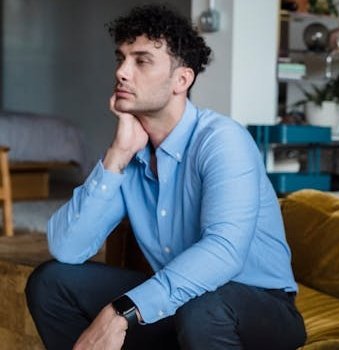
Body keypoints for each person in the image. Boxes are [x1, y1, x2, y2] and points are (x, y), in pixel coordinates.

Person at [25, 5, 306, 350]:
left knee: (203, 309)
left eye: (141, 61)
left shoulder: (222, 140)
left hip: (259, 308)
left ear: (181, 80)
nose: (122, 73)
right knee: (51, 282)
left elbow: (224, 251)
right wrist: (117, 155)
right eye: (121, 58)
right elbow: (67, 248)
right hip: (184, 301)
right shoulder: (132, 150)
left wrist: (123, 311)